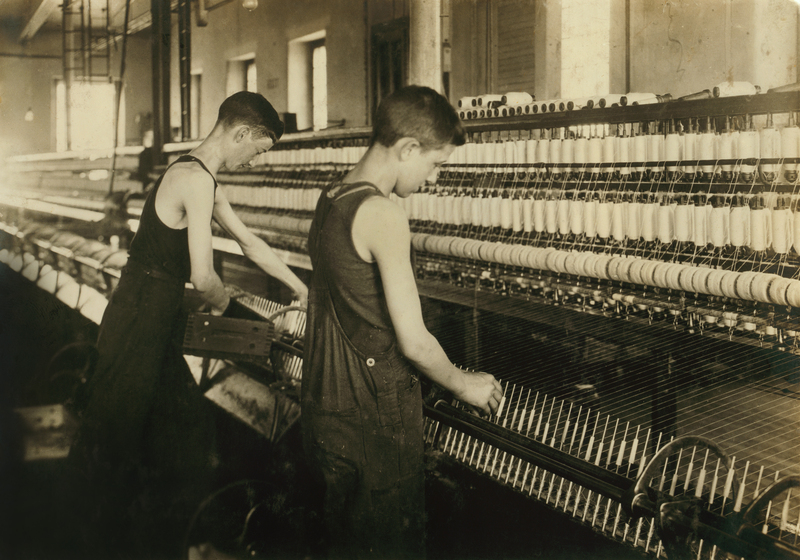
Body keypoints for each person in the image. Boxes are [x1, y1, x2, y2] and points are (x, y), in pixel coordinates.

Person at [69, 91, 308, 559]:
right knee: (119, 434)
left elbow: (249, 243)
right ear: (240, 134)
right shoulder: (193, 179)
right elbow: (204, 277)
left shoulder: (201, 175)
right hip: (140, 317)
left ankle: (158, 539)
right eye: (256, 150)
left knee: (181, 433)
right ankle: (93, 540)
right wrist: (247, 323)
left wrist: (301, 288)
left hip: (153, 313)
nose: (251, 161)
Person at [302, 85, 503, 560]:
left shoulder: (331, 197)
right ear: (407, 148)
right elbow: (413, 343)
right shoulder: (382, 214)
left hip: (326, 400)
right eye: (435, 164)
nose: (435, 178)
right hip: (373, 412)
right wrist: (463, 384)